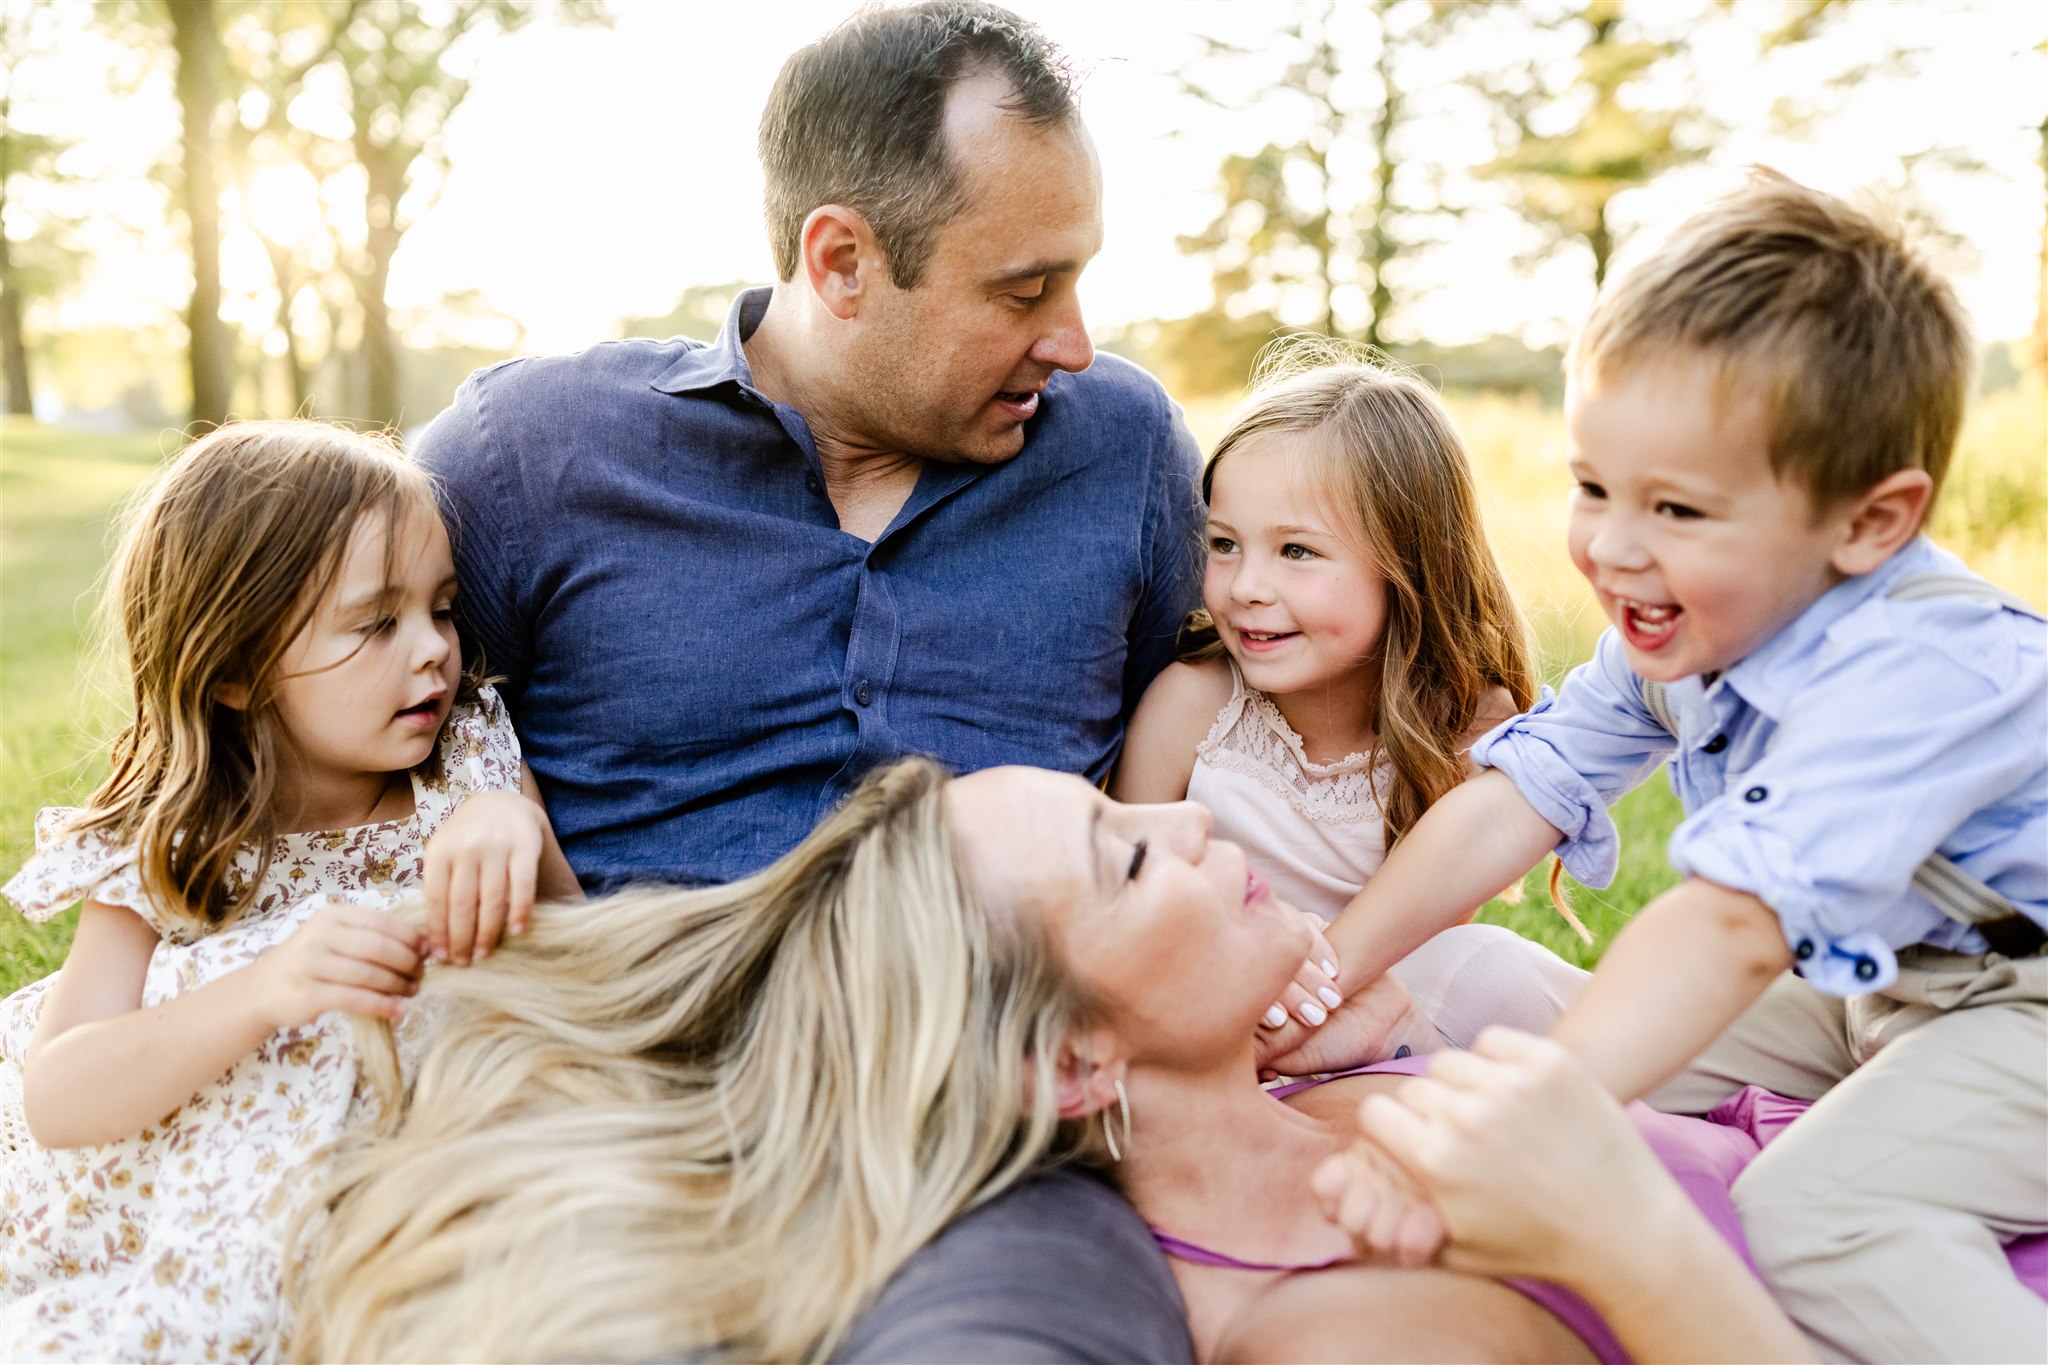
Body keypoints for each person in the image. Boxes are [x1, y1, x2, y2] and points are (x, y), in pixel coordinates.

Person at [409, 5, 1206, 1353]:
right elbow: (314, 697)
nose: (1072, 340)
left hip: (986, 1145)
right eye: (1022, 290)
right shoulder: (529, 454)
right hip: (618, 1115)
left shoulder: (1122, 452)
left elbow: (1207, 727)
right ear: (839, 259)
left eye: (1078, 281)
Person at [290, 759, 1833, 1364]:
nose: (1194, 820)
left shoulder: (1312, 1082)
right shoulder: (1329, 1336)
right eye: (1128, 858)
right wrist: (1623, 1235)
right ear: (1071, 1059)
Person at [1296, 169, 2048, 1361]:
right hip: (1890, 984)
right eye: (1591, 488)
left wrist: (1514, 1132)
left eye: (1678, 511)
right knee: (1537, 1017)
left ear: (1868, 523)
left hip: (2028, 1007)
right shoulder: (1692, 635)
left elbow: (1726, 930)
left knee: (1816, 1214)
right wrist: (1320, 975)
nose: (1609, 547)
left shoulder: (1926, 670)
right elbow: (1516, 800)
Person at [0, 421, 578, 1362]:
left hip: (394, 1157)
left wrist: (520, 829)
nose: (434, 650)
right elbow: (58, 1094)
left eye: (441, 608)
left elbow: (578, 965)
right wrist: (269, 988)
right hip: (176, 1176)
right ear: (234, 668)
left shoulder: (469, 762)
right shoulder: (175, 841)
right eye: (377, 623)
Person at [1115, 347, 1591, 1054]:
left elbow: (1428, 945)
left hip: (1389, 1032)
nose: (1245, 585)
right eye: (1223, 544)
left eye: (1296, 551)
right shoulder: (1197, 703)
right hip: (1210, 1020)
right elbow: (1126, 896)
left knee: (1486, 967)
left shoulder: (1465, 728)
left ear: (1409, 562)